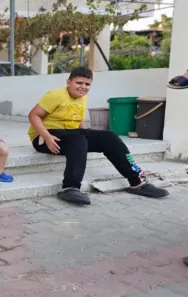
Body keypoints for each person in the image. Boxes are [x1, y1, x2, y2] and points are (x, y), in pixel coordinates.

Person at [28, 67, 169, 205]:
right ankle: (70, 188)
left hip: (70, 135)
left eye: (87, 84)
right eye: (79, 83)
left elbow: (77, 119)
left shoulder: (83, 98)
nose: (83, 87)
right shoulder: (56, 95)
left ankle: (137, 182)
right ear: (68, 82)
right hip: (43, 137)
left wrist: (86, 135)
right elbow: (33, 115)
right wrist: (46, 137)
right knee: (78, 140)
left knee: (109, 137)